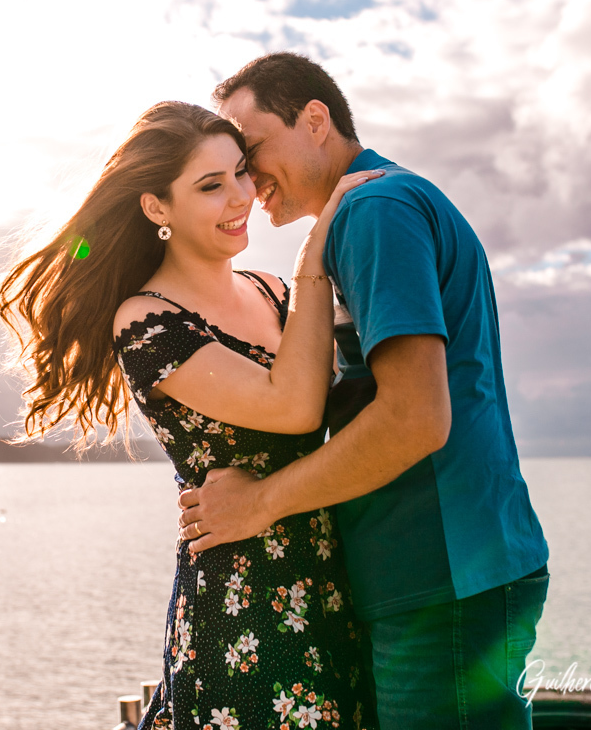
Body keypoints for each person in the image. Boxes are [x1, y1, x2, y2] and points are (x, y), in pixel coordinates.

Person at [175, 52, 551, 730]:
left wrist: (257, 505)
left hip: (442, 580)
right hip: (442, 574)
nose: (245, 180)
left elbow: (415, 418)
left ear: (315, 121)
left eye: (251, 151)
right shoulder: (367, 213)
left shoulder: (376, 211)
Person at [0, 101, 385, 729]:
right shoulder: (147, 322)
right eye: (210, 186)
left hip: (335, 587)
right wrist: (314, 253)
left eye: (240, 173)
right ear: (157, 208)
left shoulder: (274, 293)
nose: (240, 196)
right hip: (245, 613)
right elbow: (293, 405)